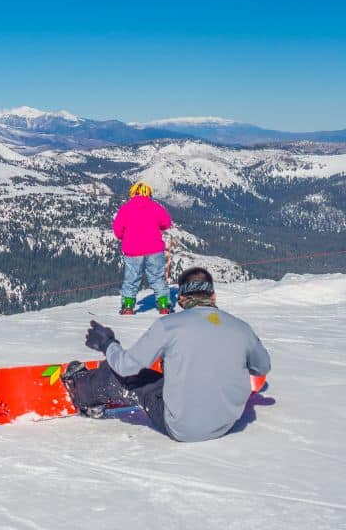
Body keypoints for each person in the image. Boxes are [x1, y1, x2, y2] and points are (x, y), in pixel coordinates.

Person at [62, 267, 271, 442]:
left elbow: (126, 366)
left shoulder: (169, 326)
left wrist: (108, 344)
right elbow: (262, 368)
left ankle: (80, 390)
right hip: (226, 423)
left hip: (183, 428)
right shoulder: (241, 328)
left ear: (181, 299)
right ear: (213, 296)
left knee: (116, 374)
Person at [112, 182, 174, 315]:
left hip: (132, 250)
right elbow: (167, 223)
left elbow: (118, 230)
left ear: (133, 193)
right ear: (149, 194)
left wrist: (126, 236)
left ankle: (128, 307)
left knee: (131, 279)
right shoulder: (155, 207)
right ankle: (164, 306)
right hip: (154, 248)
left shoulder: (126, 208)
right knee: (158, 278)